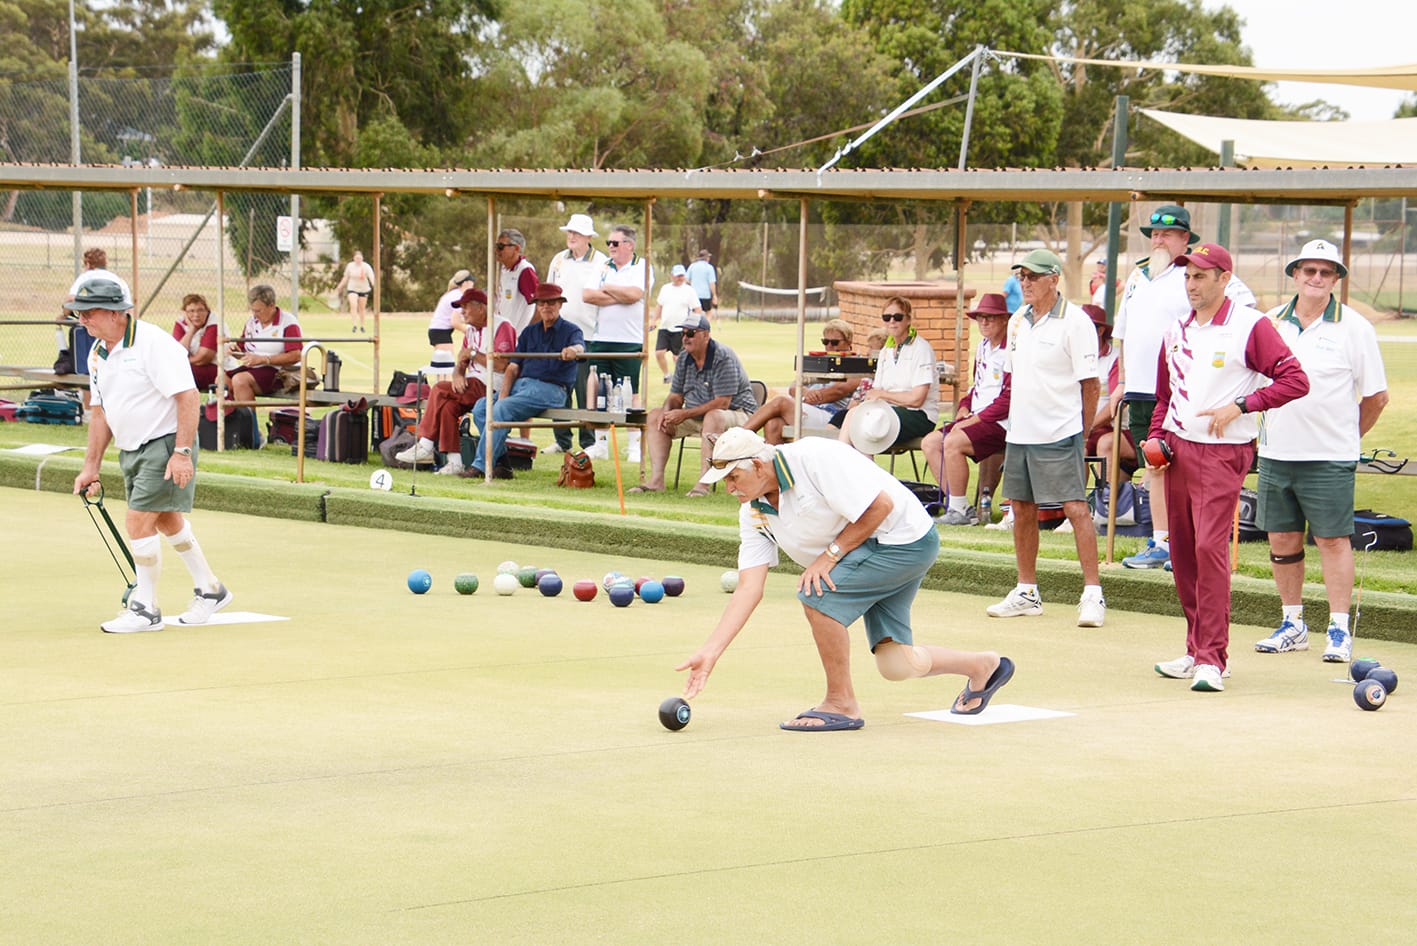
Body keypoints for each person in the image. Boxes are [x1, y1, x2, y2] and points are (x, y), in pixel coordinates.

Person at [674, 427, 1015, 730]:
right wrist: (711, 652)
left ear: (759, 466)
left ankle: (841, 703)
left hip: (901, 541)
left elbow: (880, 507)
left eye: (733, 478)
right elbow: (749, 587)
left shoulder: (815, 458)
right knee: (896, 664)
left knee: (817, 597)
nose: (730, 488)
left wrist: (829, 556)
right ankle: (983, 666)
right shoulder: (753, 511)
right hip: (867, 550)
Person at [1147, 243, 1309, 692]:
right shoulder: (1176, 330)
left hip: (1222, 453)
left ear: (1223, 278)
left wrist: (1240, 405)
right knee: (1181, 553)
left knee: (1208, 551)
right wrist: (1156, 436)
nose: (1192, 284)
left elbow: (1295, 380)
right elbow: (1165, 396)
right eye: (1187, 276)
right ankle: (1197, 648)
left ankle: (1212, 661)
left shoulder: (1250, 325)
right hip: (1177, 450)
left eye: (1200, 276)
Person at [68, 279, 232, 633]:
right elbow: (100, 412)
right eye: (79, 313)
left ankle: (145, 608)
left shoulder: (153, 343)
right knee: (166, 520)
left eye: (89, 312)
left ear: (115, 312)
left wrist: (182, 454)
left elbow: (188, 397)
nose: (82, 319)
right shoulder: (97, 352)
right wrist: (91, 467)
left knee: (138, 520)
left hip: (166, 442)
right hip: (132, 448)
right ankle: (211, 589)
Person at [1252, 239, 1389, 664]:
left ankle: (1338, 628)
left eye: (1325, 272)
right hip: (1277, 454)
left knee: (1332, 540)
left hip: (1329, 457)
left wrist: (1347, 438)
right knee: (1282, 539)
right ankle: (1293, 624)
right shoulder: (1268, 323)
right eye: (1308, 270)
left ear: (1336, 280)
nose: (1315, 278)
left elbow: (1376, 398)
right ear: (1294, 274)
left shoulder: (1355, 327)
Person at [1110, 205, 1256, 570]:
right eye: (1154, 234)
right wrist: (1122, 380)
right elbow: (1123, 333)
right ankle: (1162, 541)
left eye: (1168, 234)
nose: (1159, 240)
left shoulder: (1197, 274)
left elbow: (1244, 307)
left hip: (1188, 390)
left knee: (1188, 469)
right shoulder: (1139, 274)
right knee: (1154, 465)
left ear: (1185, 238)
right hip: (1144, 388)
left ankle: (1188, 543)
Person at [986, 249, 1106, 628]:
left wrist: (1081, 433)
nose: (1026, 283)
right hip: (1020, 432)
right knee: (1020, 509)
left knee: (1075, 509)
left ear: (1054, 279)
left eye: (1034, 277)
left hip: (1061, 432)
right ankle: (1026, 591)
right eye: (1022, 277)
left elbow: (1090, 384)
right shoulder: (1019, 319)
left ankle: (1092, 594)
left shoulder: (1077, 322)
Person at [463, 283, 583, 480]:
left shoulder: (571, 330)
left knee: (501, 410)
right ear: (536, 306)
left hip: (551, 388)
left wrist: (573, 351)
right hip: (522, 385)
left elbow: (579, 347)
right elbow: (512, 367)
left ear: (560, 305)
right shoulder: (530, 332)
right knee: (481, 408)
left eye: (551, 303)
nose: (546, 307)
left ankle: (481, 467)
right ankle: (502, 464)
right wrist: (502, 394)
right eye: (541, 303)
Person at [629, 316, 758, 497]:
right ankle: (656, 481)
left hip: (738, 414)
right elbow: (675, 396)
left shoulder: (723, 356)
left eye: (690, 333)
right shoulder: (683, 358)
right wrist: (666, 413)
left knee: (713, 416)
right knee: (655, 415)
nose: (685, 338)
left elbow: (723, 402)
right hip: (698, 416)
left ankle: (703, 484)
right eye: (682, 333)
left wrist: (684, 413)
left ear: (706, 336)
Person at [396, 288, 515, 475]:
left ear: (481, 308)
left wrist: (474, 354)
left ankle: (425, 444)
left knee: (438, 389)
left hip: (493, 385)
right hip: (473, 382)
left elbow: (502, 365)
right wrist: (458, 374)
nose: (462, 312)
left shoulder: (502, 327)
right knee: (448, 407)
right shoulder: (470, 332)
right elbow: (461, 361)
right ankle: (454, 462)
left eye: (466, 307)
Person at [922, 292, 1011, 525]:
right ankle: (959, 505)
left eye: (990, 317)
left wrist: (974, 420)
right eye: (980, 317)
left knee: (952, 442)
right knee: (930, 442)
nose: (984, 322)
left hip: (1001, 423)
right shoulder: (982, 346)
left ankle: (960, 512)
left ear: (1004, 320)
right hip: (978, 418)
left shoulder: (1011, 350)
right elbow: (978, 387)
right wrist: (964, 407)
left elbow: (1009, 399)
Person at [831, 297, 937, 456]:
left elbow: (917, 400)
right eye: (887, 318)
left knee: (861, 424)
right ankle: (855, 472)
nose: (892, 321)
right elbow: (876, 393)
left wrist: (882, 395)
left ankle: (841, 465)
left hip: (919, 415)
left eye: (898, 317)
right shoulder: (885, 352)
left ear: (908, 319)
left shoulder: (921, 349)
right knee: (853, 416)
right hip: (888, 411)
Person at [582, 224, 652, 461]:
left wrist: (609, 288)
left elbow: (635, 295)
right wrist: (620, 297)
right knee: (600, 390)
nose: (610, 247)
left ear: (629, 245)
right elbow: (588, 295)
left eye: (615, 243)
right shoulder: (603, 266)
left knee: (630, 392)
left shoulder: (642, 266)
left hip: (629, 340)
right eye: (608, 243)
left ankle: (634, 446)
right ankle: (600, 443)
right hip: (601, 340)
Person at [544, 213, 608, 456]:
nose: (571, 237)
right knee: (558, 388)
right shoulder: (559, 260)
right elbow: (550, 293)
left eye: (576, 233)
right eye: (569, 232)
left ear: (588, 237)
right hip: (559, 333)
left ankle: (589, 442)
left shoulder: (601, 262)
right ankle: (562, 440)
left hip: (589, 334)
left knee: (585, 390)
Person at [742, 319, 859, 444]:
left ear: (848, 343)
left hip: (832, 417)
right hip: (809, 409)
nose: (829, 346)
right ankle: (775, 462)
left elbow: (838, 391)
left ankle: (738, 437)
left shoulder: (857, 364)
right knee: (773, 425)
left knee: (781, 401)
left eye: (835, 342)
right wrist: (805, 392)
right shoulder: (822, 362)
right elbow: (793, 387)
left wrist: (809, 397)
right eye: (826, 341)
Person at [1083, 303, 1137, 480]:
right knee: (1071, 447)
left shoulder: (1115, 359)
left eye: (1085, 328)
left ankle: (1104, 501)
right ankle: (1071, 504)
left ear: (1100, 331)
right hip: (1082, 428)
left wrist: (1087, 428)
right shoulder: (1071, 358)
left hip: (1115, 428)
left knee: (1101, 443)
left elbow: (1117, 404)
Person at [226, 284, 302, 403]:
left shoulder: (288, 322)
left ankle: (248, 421)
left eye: (258, 311)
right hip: (254, 368)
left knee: (240, 380)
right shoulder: (251, 322)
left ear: (271, 305)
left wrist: (264, 359)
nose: (255, 314)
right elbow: (242, 348)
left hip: (280, 371)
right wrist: (235, 351)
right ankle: (233, 419)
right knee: (221, 380)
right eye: (252, 310)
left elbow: (296, 355)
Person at [653, 264, 704, 381]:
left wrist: (696, 323)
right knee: (659, 353)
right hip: (665, 327)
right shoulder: (665, 288)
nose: (680, 278)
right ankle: (667, 375)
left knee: (678, 358)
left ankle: (680, 379)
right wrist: (653, 320)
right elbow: (659, 306)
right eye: (678, 276)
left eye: (682, 275)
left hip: (680, 329)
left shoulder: (689, 290)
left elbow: (697, 308)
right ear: (672, 276)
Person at [171, 293, 227, 391]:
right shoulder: (181, 323)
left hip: (220, 368)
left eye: (200, 310)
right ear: (184, 313)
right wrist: (191, 330)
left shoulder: (214, 323)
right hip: (194, 367)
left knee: (177, 372)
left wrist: (183, 362)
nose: (196, 315)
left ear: (207, 311)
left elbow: (204, 358)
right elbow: (177, 353)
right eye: (191, 311)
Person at [426, 269, 476, 372]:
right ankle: (444, 387)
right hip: (441, 332)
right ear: (466, 283)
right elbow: (455, 322)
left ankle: (441, 386)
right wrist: (469, 331)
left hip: (437, 331)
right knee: (447, 367)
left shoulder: (454, 293)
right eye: (472, 282)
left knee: (441, 368)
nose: (473, 285)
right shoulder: (458, 296)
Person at [494, 228, 539, 336]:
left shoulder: (525, 271)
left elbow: (540, 307)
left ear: (516, 248)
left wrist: (528, 333)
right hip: (505, 335)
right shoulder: (504, 269)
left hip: (518, 338)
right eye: (496, 246)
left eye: (501, 247)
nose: (497, 251)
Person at [334, 249, 375, 333]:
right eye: (356, 258)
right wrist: (340, 286)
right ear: (354, 258)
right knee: (353, 305)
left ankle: (362, 325)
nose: (358, 260)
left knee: (362, 308)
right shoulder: (350, 266)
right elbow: (346, 277)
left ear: (362, 258)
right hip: (352, 288)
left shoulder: (366, 266)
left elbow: (372, 277)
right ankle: (354, 325)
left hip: (364, 289)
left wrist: (375, 286)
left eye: (360, 258)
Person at [686, 248, 718, 317]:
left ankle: (695, 326)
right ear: (706, 258)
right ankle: (705, 327)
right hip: (705, 295)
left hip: (694, 295)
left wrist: (692, 284)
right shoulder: (709, 268)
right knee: (708, 312)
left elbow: (687, 280)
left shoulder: (692, 266)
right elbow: (712, 283)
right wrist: (714, 295)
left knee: (695, 312)